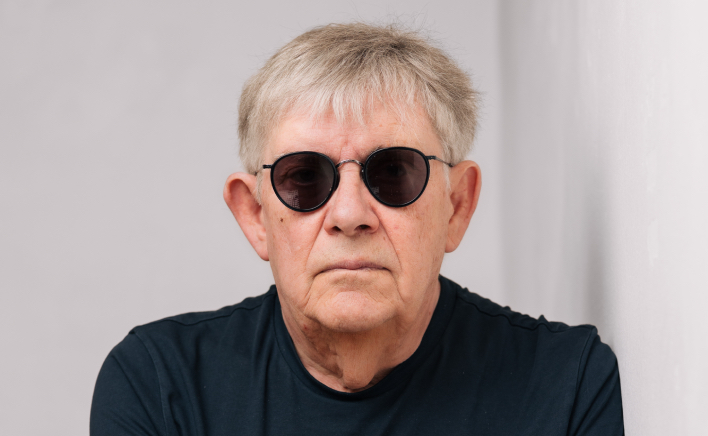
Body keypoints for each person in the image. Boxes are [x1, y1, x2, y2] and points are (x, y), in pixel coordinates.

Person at [90, 23, 623, 435]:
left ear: (456, 206)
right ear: (254, 216)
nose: (349, 214)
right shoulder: (159, 385)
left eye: (393, 173)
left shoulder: (566, 384)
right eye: (304, 178)